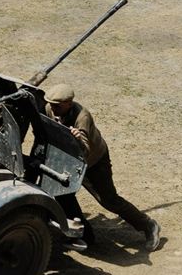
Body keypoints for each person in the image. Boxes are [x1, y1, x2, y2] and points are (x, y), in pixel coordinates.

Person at [44, 84, 162, 252]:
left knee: (109, 200)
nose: (53, 108)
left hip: (93, 162)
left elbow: (85, 148)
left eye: (57, 105)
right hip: (70, 159)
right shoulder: (50, 108)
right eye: (51, 104)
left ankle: (148, 225)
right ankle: (84, 236)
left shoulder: (82, 117)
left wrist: (77, 139)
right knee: (61, 192)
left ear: (69, 103)